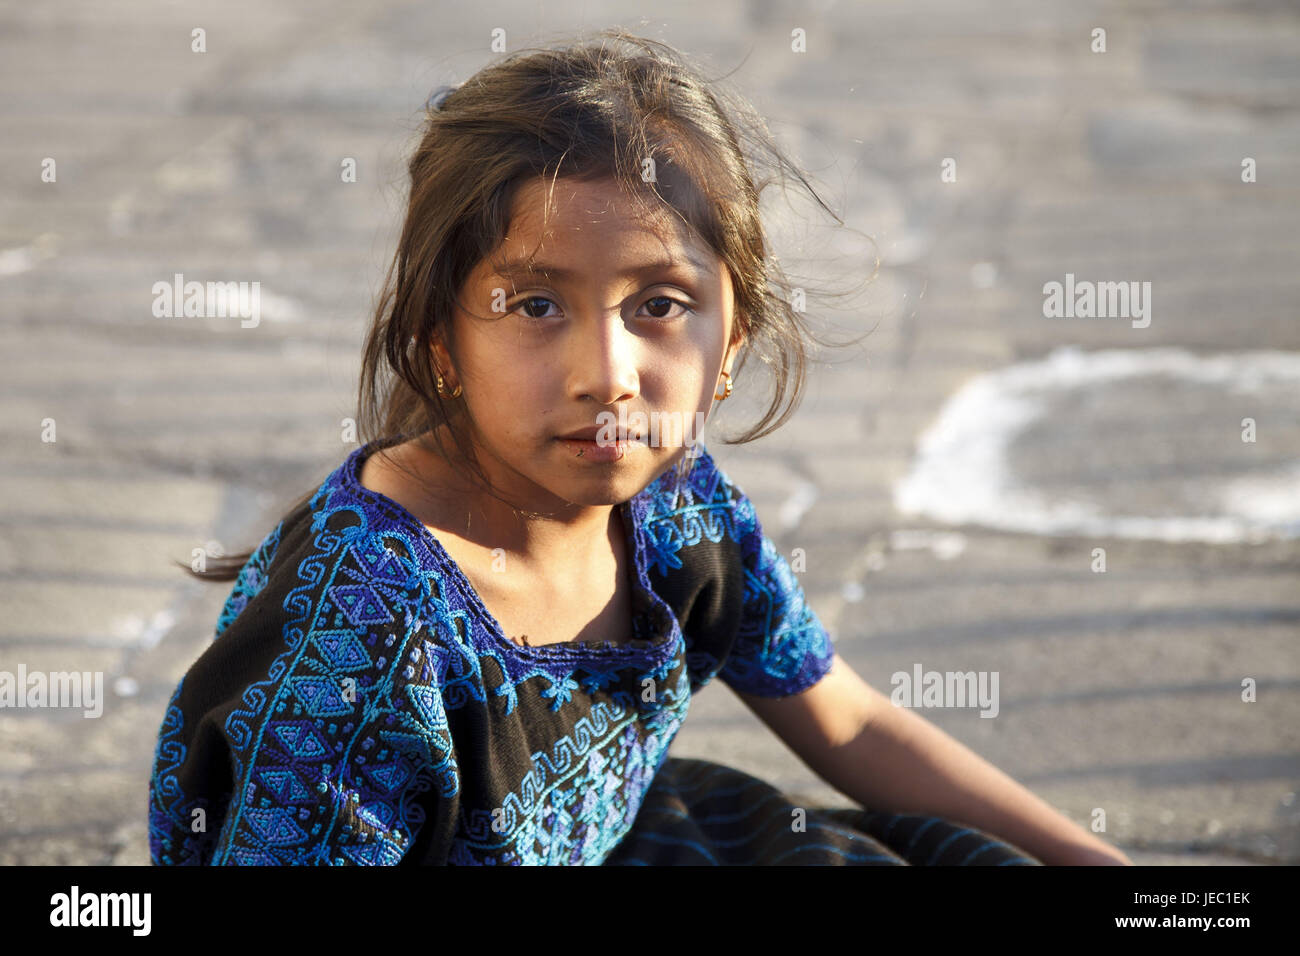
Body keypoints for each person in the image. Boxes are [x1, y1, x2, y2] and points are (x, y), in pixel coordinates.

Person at [148, 30, 1131, 866]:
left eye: (658, 304)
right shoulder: (359, 642)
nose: (605, 372)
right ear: (442, 339)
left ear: (732, 340)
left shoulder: (678, 509)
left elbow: (850, 721)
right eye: (535, 303)